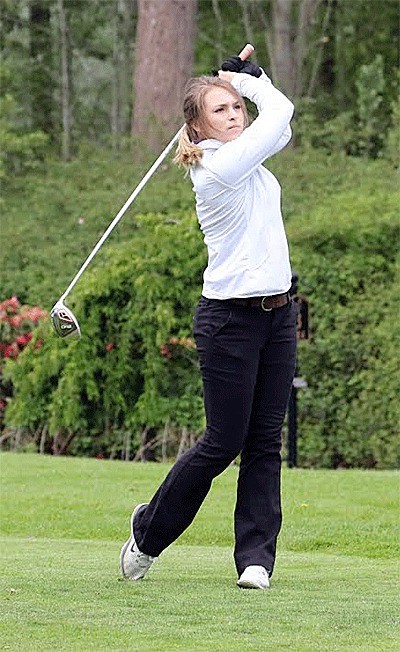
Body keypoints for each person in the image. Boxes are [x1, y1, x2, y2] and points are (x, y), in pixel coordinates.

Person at [120, 54, 297, 590]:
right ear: (196, 127)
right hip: (228, 321)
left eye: (237, 107)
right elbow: (282, 109)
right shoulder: (218, 168)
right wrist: (245, 79)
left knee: (265, 441)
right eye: (221, 109)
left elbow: (280, 124)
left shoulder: (247, 158)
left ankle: (255, 561)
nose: (235, 113)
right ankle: (148, 536)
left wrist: (248, 85)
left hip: (279, 313)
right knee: (223, 442)